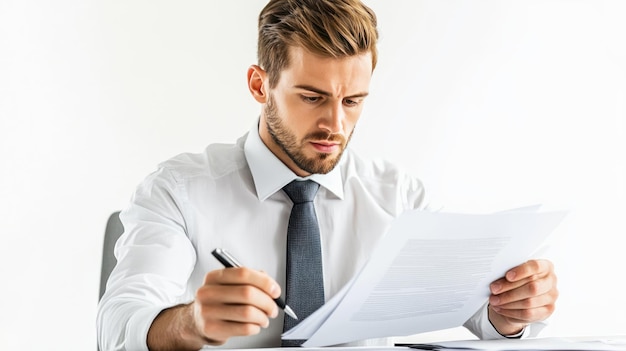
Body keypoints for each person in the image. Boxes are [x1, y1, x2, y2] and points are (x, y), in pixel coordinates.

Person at [96, 0, 559, 350]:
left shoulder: (399, 198)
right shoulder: (180, 190)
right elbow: (117, 323)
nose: (335, 126)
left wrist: (513, 309)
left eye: (353, 101)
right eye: (313, 97)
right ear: (261, 85)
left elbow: (483, 314)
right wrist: (193, 321)